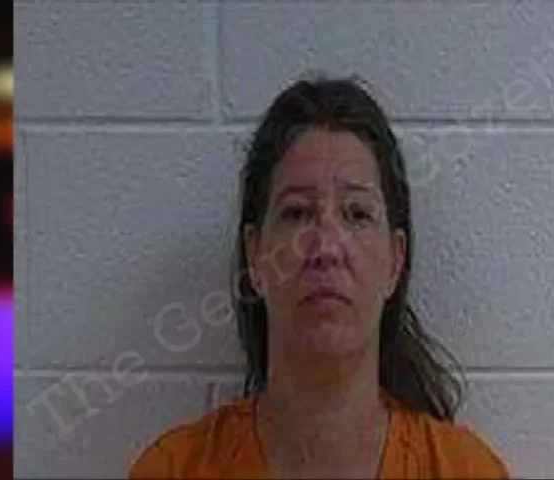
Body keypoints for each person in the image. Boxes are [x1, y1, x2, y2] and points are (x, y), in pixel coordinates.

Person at [129, 75, 510, 479]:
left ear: (395, 261)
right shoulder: (174, 470)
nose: (326, 248)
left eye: (357, 214)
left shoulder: (464, 471)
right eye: (296, 213)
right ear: (254, 256)